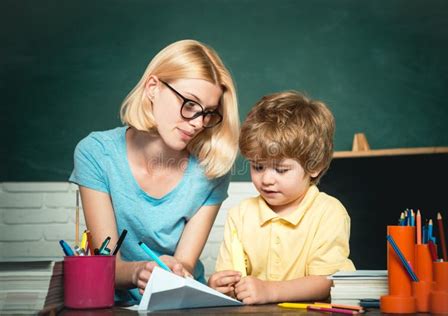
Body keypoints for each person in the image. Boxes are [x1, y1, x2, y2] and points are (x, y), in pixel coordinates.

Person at [69, 39, 239, 303]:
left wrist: (177, 269)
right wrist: (139, 271)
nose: (197, 123)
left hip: (180, 303)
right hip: (113, 305)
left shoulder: (212, 168)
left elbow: (185, 262)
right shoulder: (96, 153)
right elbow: (107, 262)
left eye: (208, 113)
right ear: (153, 88)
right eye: (190, 104)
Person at [208, 91, 355, 304]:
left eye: (281, 169)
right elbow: (234, 279)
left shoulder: (328, 212)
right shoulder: (240, 215)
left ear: (314, 166)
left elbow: (327, 280)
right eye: (258, 166)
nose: (266, 179)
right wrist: (221, 286)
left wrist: (270, 291)